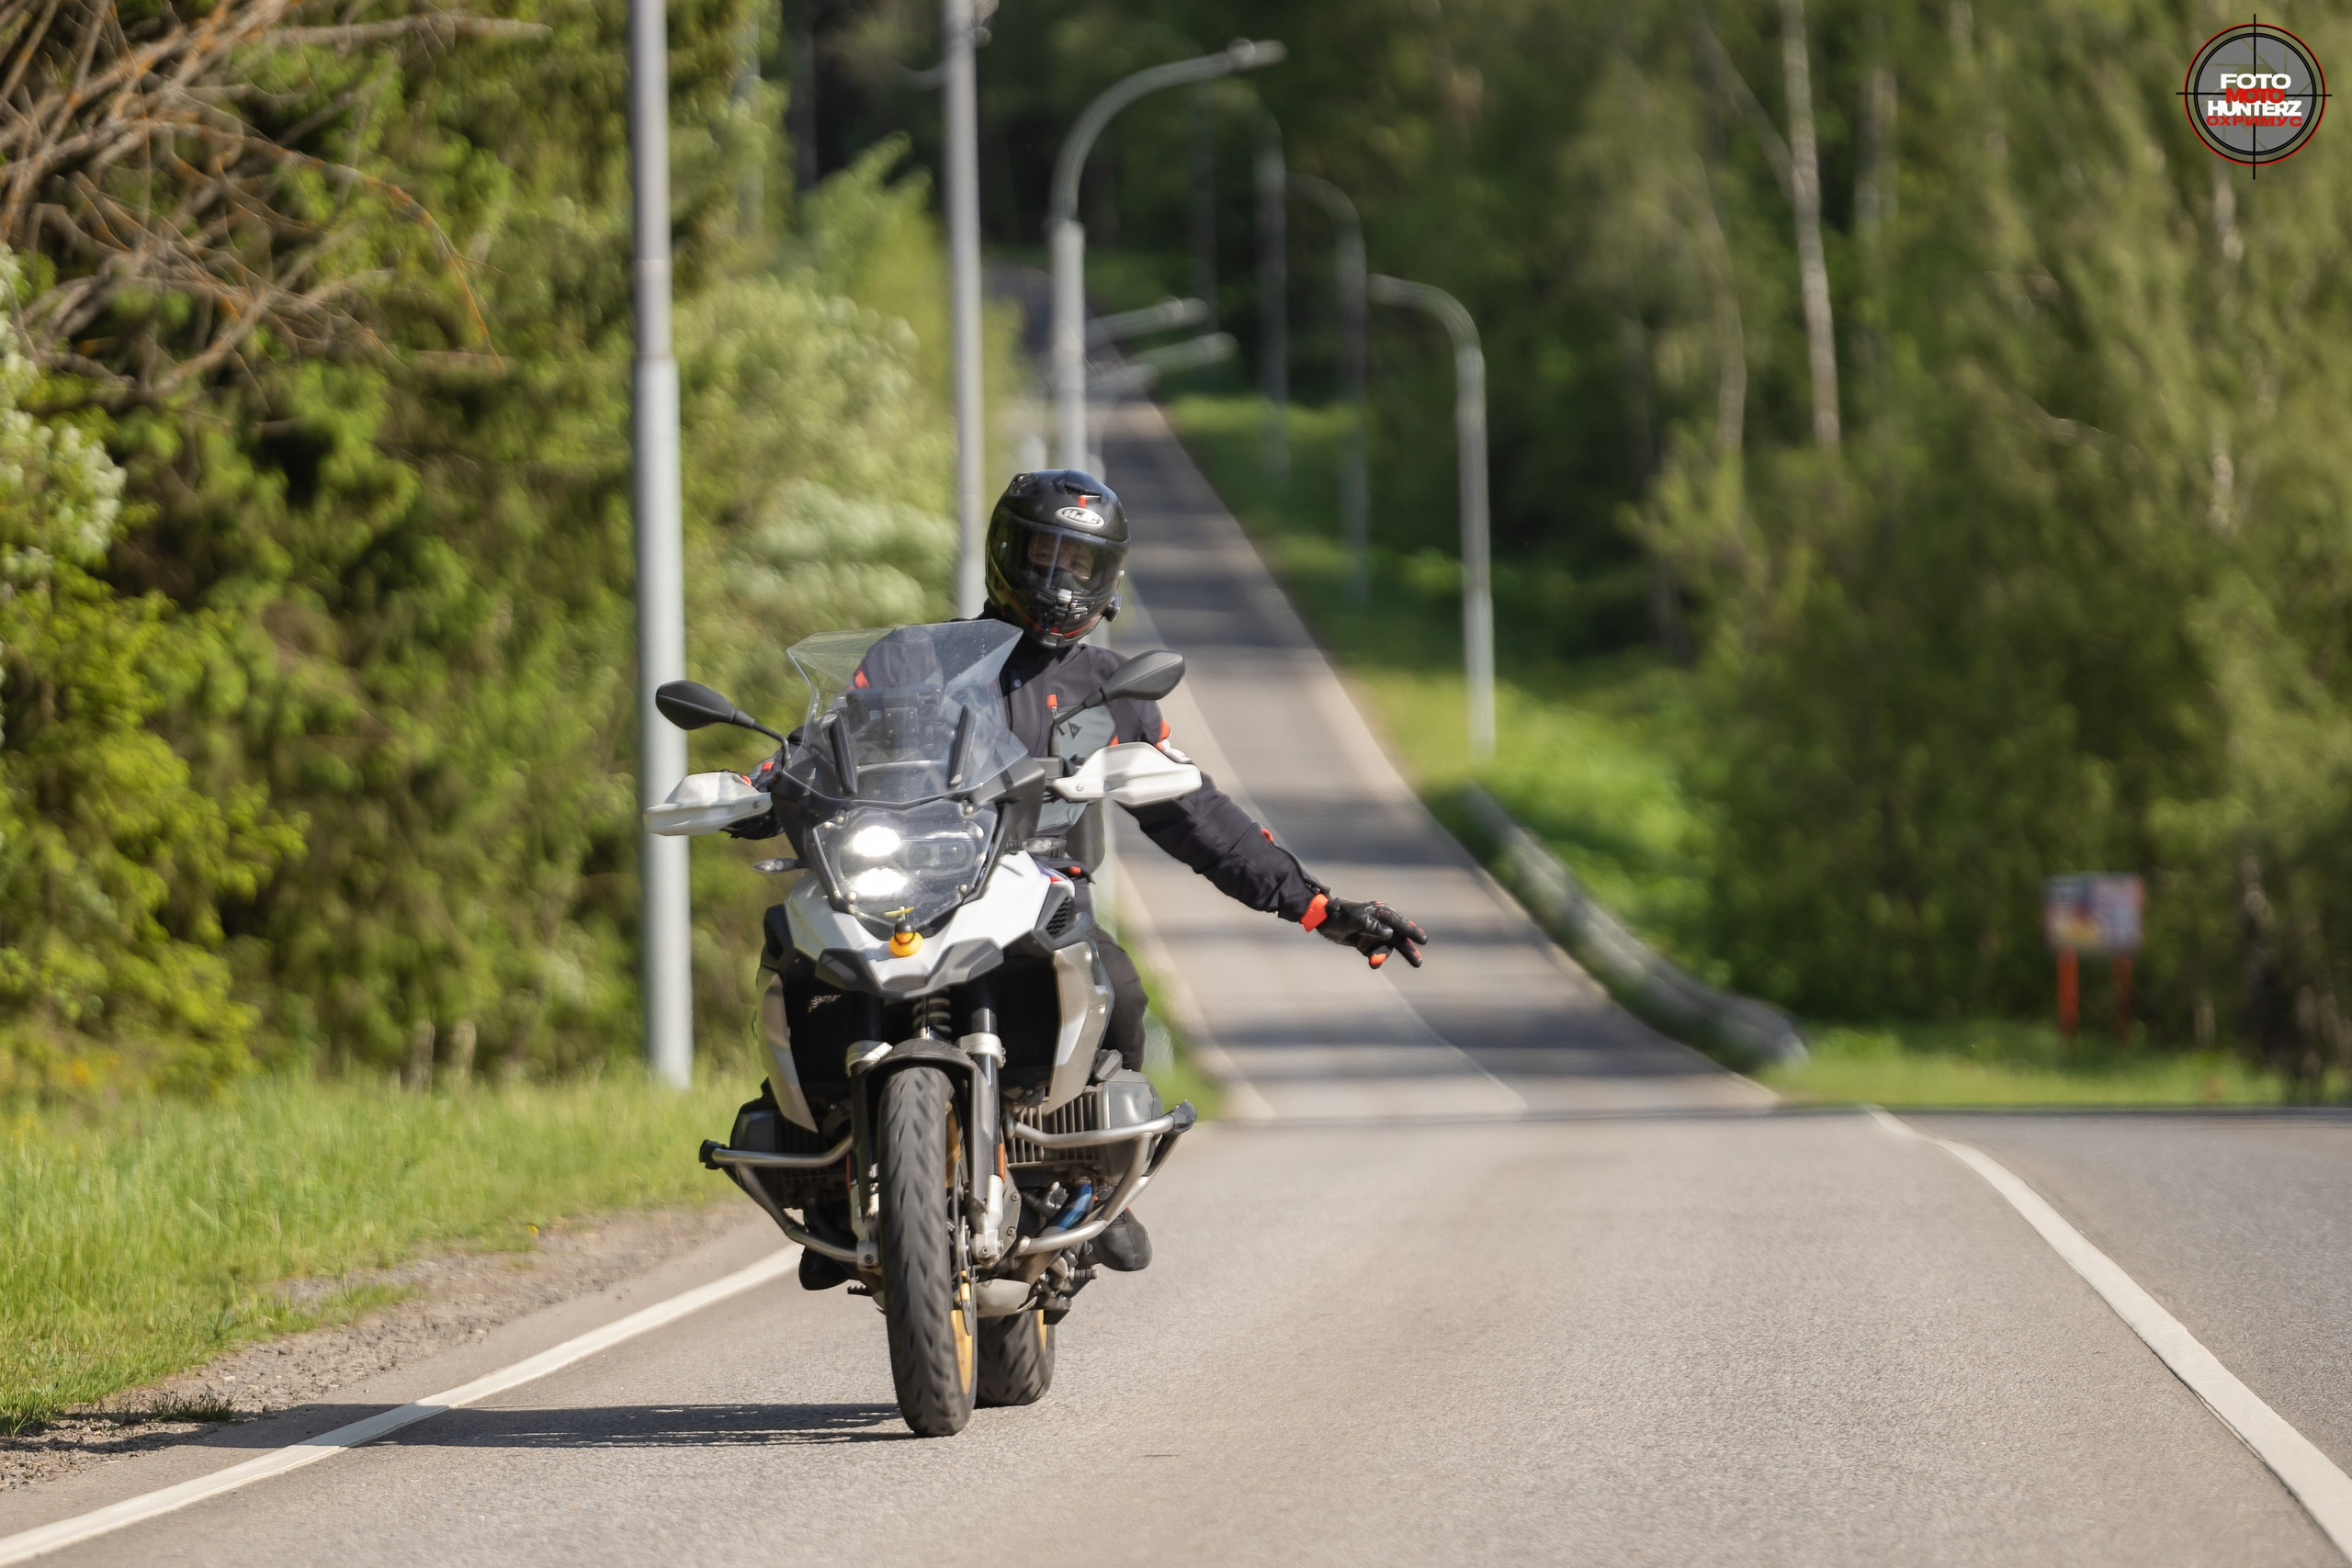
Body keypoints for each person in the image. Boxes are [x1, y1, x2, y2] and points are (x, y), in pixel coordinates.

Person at [749, 469, 1428, 1280]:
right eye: (1046, 554)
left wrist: (1318, 906)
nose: (1062, 578)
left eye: (1082, 564)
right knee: (800, 962)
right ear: (1008, 552)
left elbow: (1197, 815)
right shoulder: (910, 659)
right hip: (907, 881)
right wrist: (763, 786)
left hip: (1035, 895)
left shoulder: (1112, 689)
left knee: (1124, 989)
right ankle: (826, 1177)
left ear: (1107, 579)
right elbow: (822, 746)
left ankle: (1102, 1178)